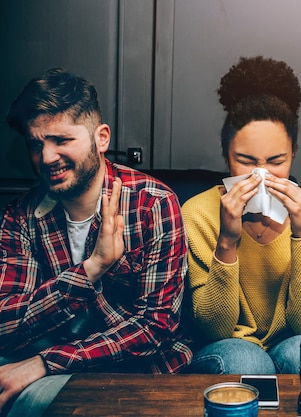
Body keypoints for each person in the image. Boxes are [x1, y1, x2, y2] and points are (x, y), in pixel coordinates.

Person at [0, 68, 192, 417]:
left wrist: (46, 362)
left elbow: (155, 329)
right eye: (36, 144)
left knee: (37, 403)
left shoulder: (153, 203)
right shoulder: (21, 216)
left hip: (132, 369)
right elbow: (6, 322)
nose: (46, 158)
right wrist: (92, 268)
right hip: (44, 354)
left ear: (100, 138)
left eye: (61, 140)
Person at [182, 56, 301, 374]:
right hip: (229, 346)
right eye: (246, 161)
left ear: (293, 153)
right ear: (226, 156)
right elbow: (214, 330)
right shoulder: (197, 213)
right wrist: (226, 240)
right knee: (247, 359)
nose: (261, 175)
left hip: (290, 339)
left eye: (276, 161)